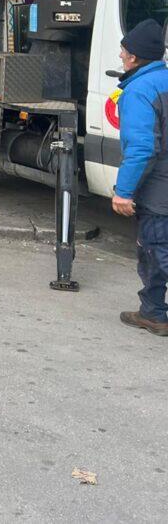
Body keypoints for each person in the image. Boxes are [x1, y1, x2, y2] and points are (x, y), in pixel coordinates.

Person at [112, 18, 168, 336]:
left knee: (156, 250)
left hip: (159, 191)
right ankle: (153, 311)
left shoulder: (138, 91)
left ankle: (155, 313)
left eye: (124, 50)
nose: (120, 54)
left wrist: (124, 191)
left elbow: (142, 148)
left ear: (133, 57)